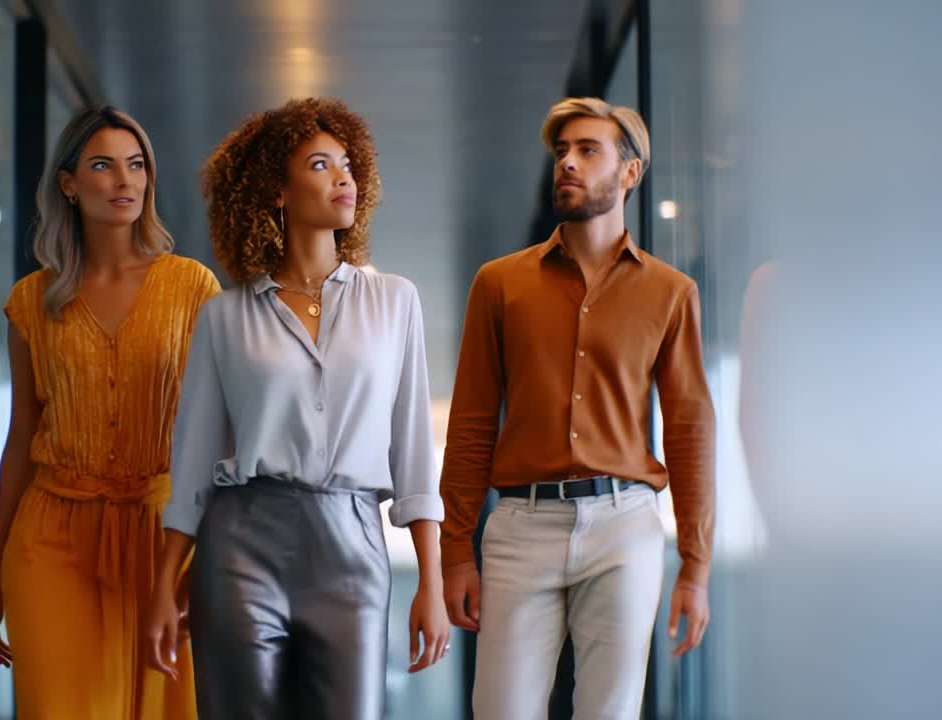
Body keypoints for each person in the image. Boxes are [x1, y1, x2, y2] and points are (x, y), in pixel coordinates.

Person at [145, 97, 451, 720]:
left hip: (354, 548)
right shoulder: (224, 317)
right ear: (276, 192)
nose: (343, 178)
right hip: (240, 549)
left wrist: (432, 583)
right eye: (319, 164)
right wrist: (163, 586)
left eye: (347, 163)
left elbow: (414, 454)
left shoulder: (396, 301)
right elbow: (196, 462)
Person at [440, 97, 716, 719]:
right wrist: (455, 550)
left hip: (626, 526)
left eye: (587, 150)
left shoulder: (671, 294)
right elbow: (472, 422)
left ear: (629, 173)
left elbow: (691, 430)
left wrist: (695, 568)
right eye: (561, 151)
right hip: (519, 527)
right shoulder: (499, 283)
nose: (566, 162)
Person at [0, 107, 218, 719]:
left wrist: (212, 556)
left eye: (136, 166)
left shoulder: (193, 289)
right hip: (51, 540)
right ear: (69, 184)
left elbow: (220, 436)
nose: (123, 181)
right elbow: (21, 439)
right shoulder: (31, 302)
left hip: (162, 540)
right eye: (103, 165)